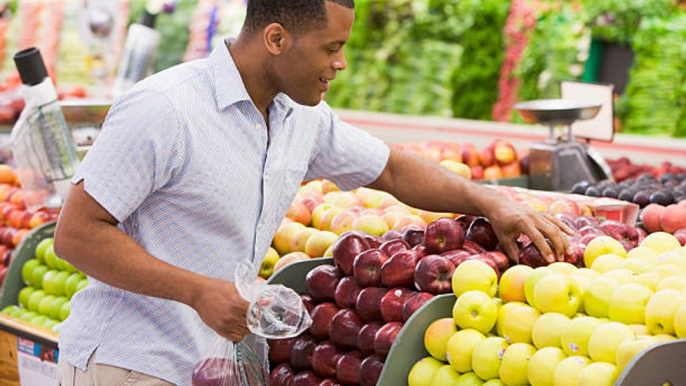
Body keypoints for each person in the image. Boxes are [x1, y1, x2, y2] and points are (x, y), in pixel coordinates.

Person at [53, 0, 572, 385]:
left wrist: (488, 199)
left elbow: (390, 170)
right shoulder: (164, 108)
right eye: (332, 47)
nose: (341, 63)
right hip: (125, 363)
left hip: (206, 365)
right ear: (276, 39)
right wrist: (197, 291)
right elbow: (75, 235)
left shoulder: (300, 116)